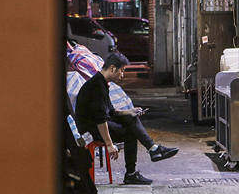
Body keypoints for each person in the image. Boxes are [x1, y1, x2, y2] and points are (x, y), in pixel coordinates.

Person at [75, 52, 178, 185]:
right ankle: (137, 167)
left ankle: (152, 150)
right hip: (90, 130)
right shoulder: (96, 87)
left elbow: (111, 112)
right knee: (130, 133)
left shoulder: (102, 83)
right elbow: (100, 120)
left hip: (98, 123)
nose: (122, 75)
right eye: (121, 71)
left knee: (131, 118)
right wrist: (109, 144)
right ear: (112, 68)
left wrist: (129, 111)